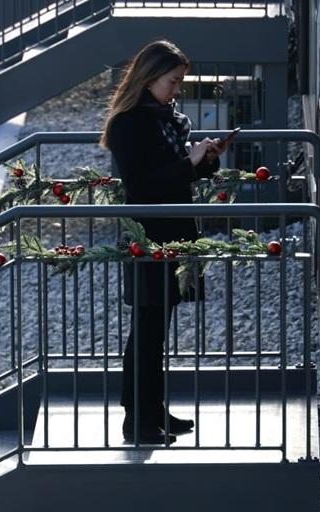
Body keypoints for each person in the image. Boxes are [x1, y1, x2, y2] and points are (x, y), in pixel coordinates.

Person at [101, 40, 222, 445]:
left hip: (170, 233)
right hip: (148, 236)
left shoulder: (163, 119)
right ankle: (137, 419)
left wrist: (204, 160)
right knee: (147, 330)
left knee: (155, 329)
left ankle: (151, 412)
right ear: (150, 78)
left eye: (180, 81)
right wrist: (189, 162)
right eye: (173, 81)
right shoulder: (130, 123)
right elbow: (143, 185)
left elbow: (173, 175)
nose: (177, 89)